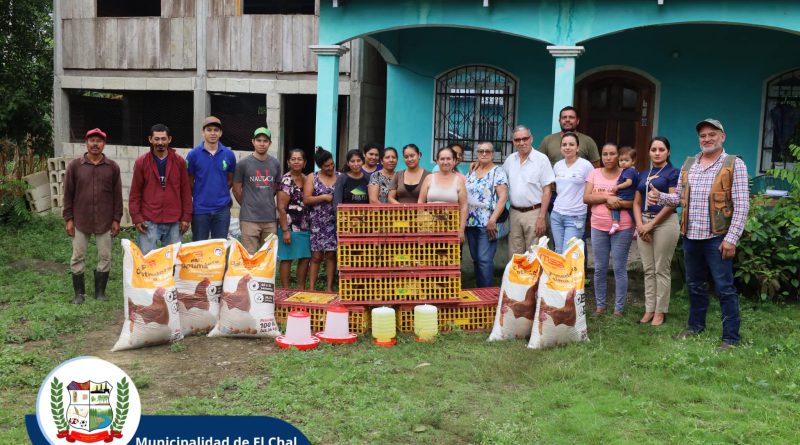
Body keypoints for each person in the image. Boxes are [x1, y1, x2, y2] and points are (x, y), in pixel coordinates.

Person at [648, 119, 749, 351]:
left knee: (724, 288)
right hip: (691, 235)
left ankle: (731, 338)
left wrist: (731, 238)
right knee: (694, 285)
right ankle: (695, 326)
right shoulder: (690, 163)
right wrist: (660, 196)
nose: (707, 139)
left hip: (718, 237)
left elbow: (742, 205)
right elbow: (680, 199)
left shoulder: (734, 164)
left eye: (712, 134)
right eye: (703, 135)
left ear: (722, 136)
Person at [63, 128, 122, 304]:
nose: (95, 144)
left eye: (99, 141)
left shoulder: (112, 167)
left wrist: (116, 219)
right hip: (81, 219)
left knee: (105, 256)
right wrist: (69, 219)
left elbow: (117, 195)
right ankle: (79, 294)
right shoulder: (75, 166)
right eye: (92, 140)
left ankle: (100, 292)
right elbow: (68, 194)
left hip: (105, 220)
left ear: (104, 144)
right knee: (77, 256)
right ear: (86, 143)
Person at [584, 142, 635, 316]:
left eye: (612, 154)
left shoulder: (627, 174)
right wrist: (607, 197)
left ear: (618, 156)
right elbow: (586, 198)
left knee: (619, 267)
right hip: (598, 226)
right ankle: (600, 306)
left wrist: (616, 202)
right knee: (600, 268)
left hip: (623, 226)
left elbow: (634, 202)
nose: (608, 157)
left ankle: (618, 309)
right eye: (605, 154)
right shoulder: (594, 173)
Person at [633, 137, 679, 326]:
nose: (657, 152)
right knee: (648, 269)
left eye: (661, 149)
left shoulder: (673, 173)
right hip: (643, 222)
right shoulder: (643, 174)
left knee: (661, 268)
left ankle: (660, 311)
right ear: (649, 152)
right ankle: (649, 309)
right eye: (654, 149)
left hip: (665, 223)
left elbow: (672, 202)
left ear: (668, 152)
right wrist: (640, 225)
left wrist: (651, 226)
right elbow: (636, 202)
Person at [129, 123, 192, 255]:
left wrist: (186, 217)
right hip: (149, 219)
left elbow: (185, 191)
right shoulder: (142, 162)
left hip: (174, 220)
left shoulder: (179, 162)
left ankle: (170, 277)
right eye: (156, 139)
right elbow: (135, 192)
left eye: (163, 139)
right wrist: (137, 217)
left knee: (172, 261)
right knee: (147, 260)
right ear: (150, 139)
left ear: (169, 139)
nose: (160, 142)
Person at [502, 125, 555, 257]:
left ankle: (535, 279)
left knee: (535, 252)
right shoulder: (510, 160)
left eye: (524, 139)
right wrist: (479, 164)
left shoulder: (541, 160)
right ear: (513, 142)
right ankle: (517, 279)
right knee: (515, 253)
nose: (521, 143)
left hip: (535, 213)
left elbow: (547, 190)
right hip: (514, 213)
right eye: (517, 140)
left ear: (531, 139)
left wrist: (542, 217)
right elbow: (497, 178)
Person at [186, 116, 237, 241]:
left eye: (216, 130)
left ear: (220, 133)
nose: (213, 133)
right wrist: (200, 195)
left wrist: (219, 193)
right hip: (200, 210)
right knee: (199, 248)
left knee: (219, 248)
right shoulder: (193, 155)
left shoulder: (228, 154)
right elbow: (189, 181)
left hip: (222, 210)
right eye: (209, 130)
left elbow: (230, 180)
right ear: (203, 132)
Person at [465, 142, 508, 287]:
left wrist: (493, 219)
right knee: (476, 259)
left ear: (493, 154)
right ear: (477, 153)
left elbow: (503, 198)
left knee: (484, 259)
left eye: (487, 151)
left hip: (487, 223)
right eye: (481, 151)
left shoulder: (498, 172)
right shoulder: (472, 170)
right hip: (470, 222)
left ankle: (486, 294)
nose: (484, 154)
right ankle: (479, 291)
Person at [233, 127, 281, 254]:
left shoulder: (275, 163)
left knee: (268, 256)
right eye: (258, 140)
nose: (262, 143)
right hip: (249, 220)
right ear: (253, 142)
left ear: (270, 143)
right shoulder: (243, 164)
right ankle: (250, 276)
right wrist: (247, 205)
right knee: (249, 257)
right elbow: (236, 190)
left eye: (265, 141)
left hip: (270, 219)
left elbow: (275, 188)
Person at [550, 132, 594, 254]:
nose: (567, 147)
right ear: (560, 148)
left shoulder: (586, 165)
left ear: (578, 147)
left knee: (569, 254)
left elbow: (592, 189)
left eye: (571, 144)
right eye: (564, 145)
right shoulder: (557, 166)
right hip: (556, 215)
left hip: (575, 216)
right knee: (558, 252)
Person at [304, 147, 340, 292]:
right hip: (318, 222)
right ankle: (312, 288)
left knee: (331, 255)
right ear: (320, 166)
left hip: (335, 221)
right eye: (326, 166)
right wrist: (323, 197)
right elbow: (306, 199)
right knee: (317, 256)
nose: (330, 167)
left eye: (332, 164)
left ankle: (329, 288)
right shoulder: (312, 177)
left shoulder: (340, 176)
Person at [277, 149, 311, 289]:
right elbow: (281, 207)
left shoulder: (306, 178)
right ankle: (285, 290)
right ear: (288, 162)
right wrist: (285, 230)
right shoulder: (286, 180)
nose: (296, 161)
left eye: (299, 159)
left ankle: (300, 289)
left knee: (305, 258)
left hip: (305, 225)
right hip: (289, 227)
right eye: (293, 159)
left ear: (304, 163)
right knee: (287, 258)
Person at [419, 146, 468, 241]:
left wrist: (461, 230)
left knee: (450, 255)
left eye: (448, 159)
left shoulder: (459, 181)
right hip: (429, 227)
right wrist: (421, 223)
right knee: (429, 254)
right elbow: (420, 202)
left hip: (451, 227)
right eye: (442, 159)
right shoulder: (429, 178)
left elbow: (464, 206)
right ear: (437, 161)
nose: (445, 162)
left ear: (454, 161)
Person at [609, 146, 638, 235]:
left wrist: (617, 187)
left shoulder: (628, 171)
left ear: (633, 161)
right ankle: (637, 225)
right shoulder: (632, 170)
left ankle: (615, 223)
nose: (623, 162)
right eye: (621, 160)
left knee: (615, 205)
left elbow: (628, 183)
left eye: (626, 160)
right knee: (632, 211)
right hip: (630, 195)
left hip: (625, 195)